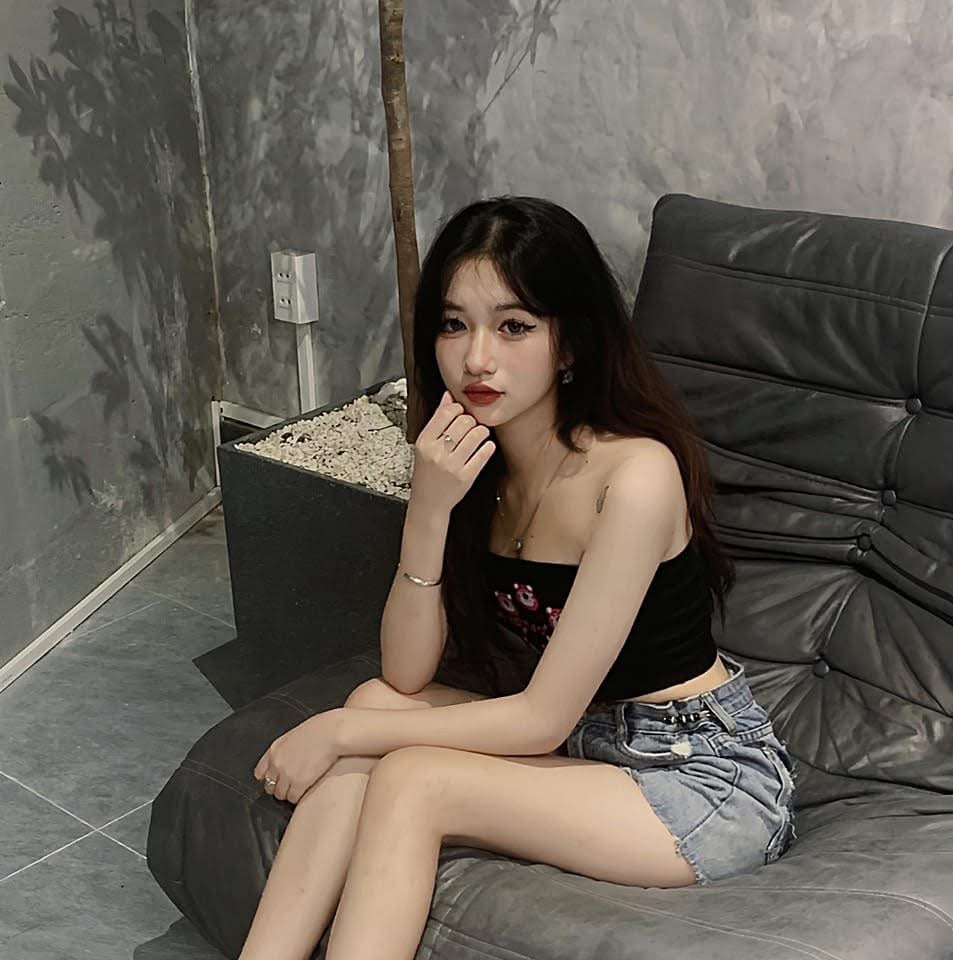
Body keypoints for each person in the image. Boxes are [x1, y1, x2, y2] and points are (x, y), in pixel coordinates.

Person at [243, 196, 798, 960]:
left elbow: (539, 719)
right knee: (375, 701)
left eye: (513, 326)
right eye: (453, 324)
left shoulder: (633, 477)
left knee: (413, 778)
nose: (476, 358)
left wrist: (334, 729)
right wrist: (429, 508)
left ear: (570, 342)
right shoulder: (473, 464)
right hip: (586, 742)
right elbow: (405, 675)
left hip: (697, 775)